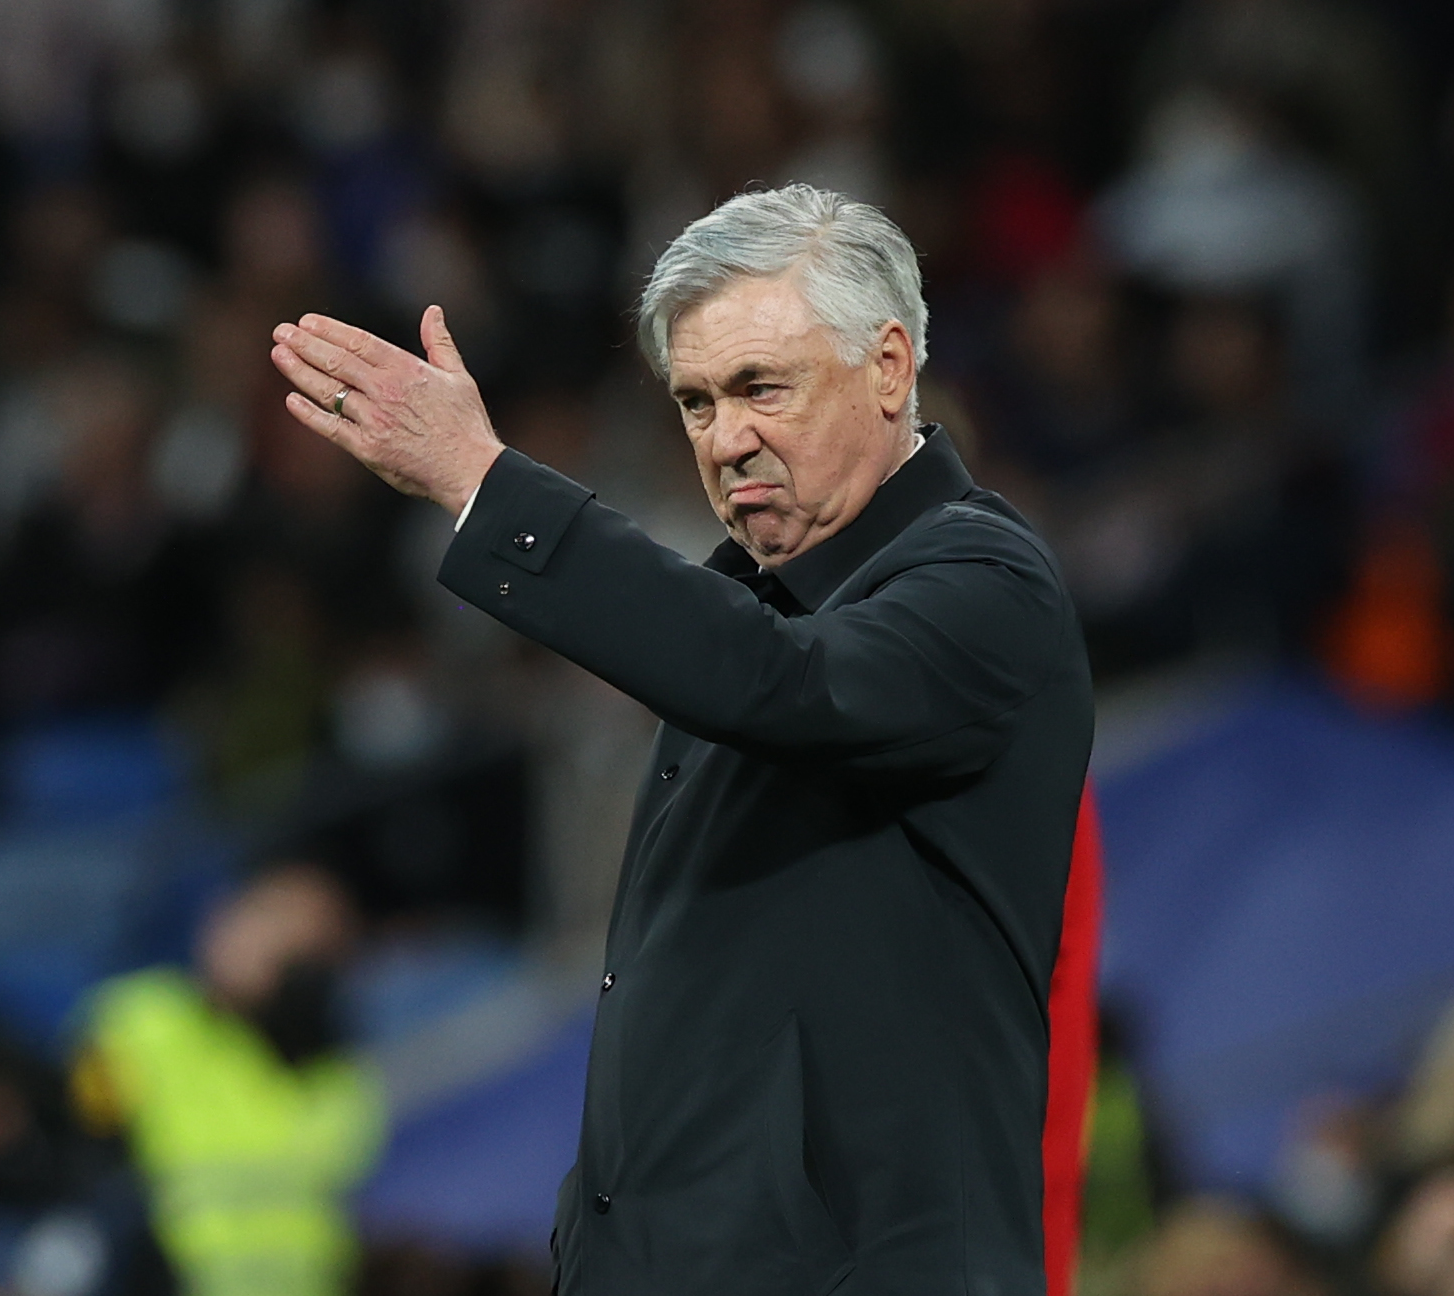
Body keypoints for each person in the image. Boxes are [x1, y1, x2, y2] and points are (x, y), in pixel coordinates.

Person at [269, 185, 1094, 1294]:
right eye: (696, 402)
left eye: (763, 387)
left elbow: (782, 685)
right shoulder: (744, 619)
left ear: (890, 366)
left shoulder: (982, 583)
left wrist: (484, 485)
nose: (728, 439)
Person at [72, 862, 388, 1296]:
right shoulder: (137, 1017)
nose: (254, 942)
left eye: (293, 938)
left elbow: (348, 1170)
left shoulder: (334, 1077)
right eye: (257, 917)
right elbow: (82, 1129)